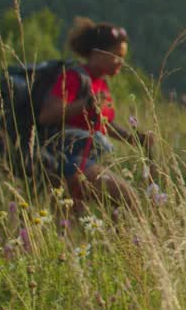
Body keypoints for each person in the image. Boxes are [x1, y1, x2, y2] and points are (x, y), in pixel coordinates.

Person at [37, 18, 150, 213]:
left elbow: (105, 123)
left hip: (87, 162)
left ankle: (120, 242)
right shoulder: (74, 77)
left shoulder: (101, 83)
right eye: (116, 55)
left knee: (79, 224)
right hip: (69, 163)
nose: (121, 63)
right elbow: (47, 115)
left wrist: (135, 138)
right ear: (98, 53)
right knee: (128, 197)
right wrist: (86, 104)